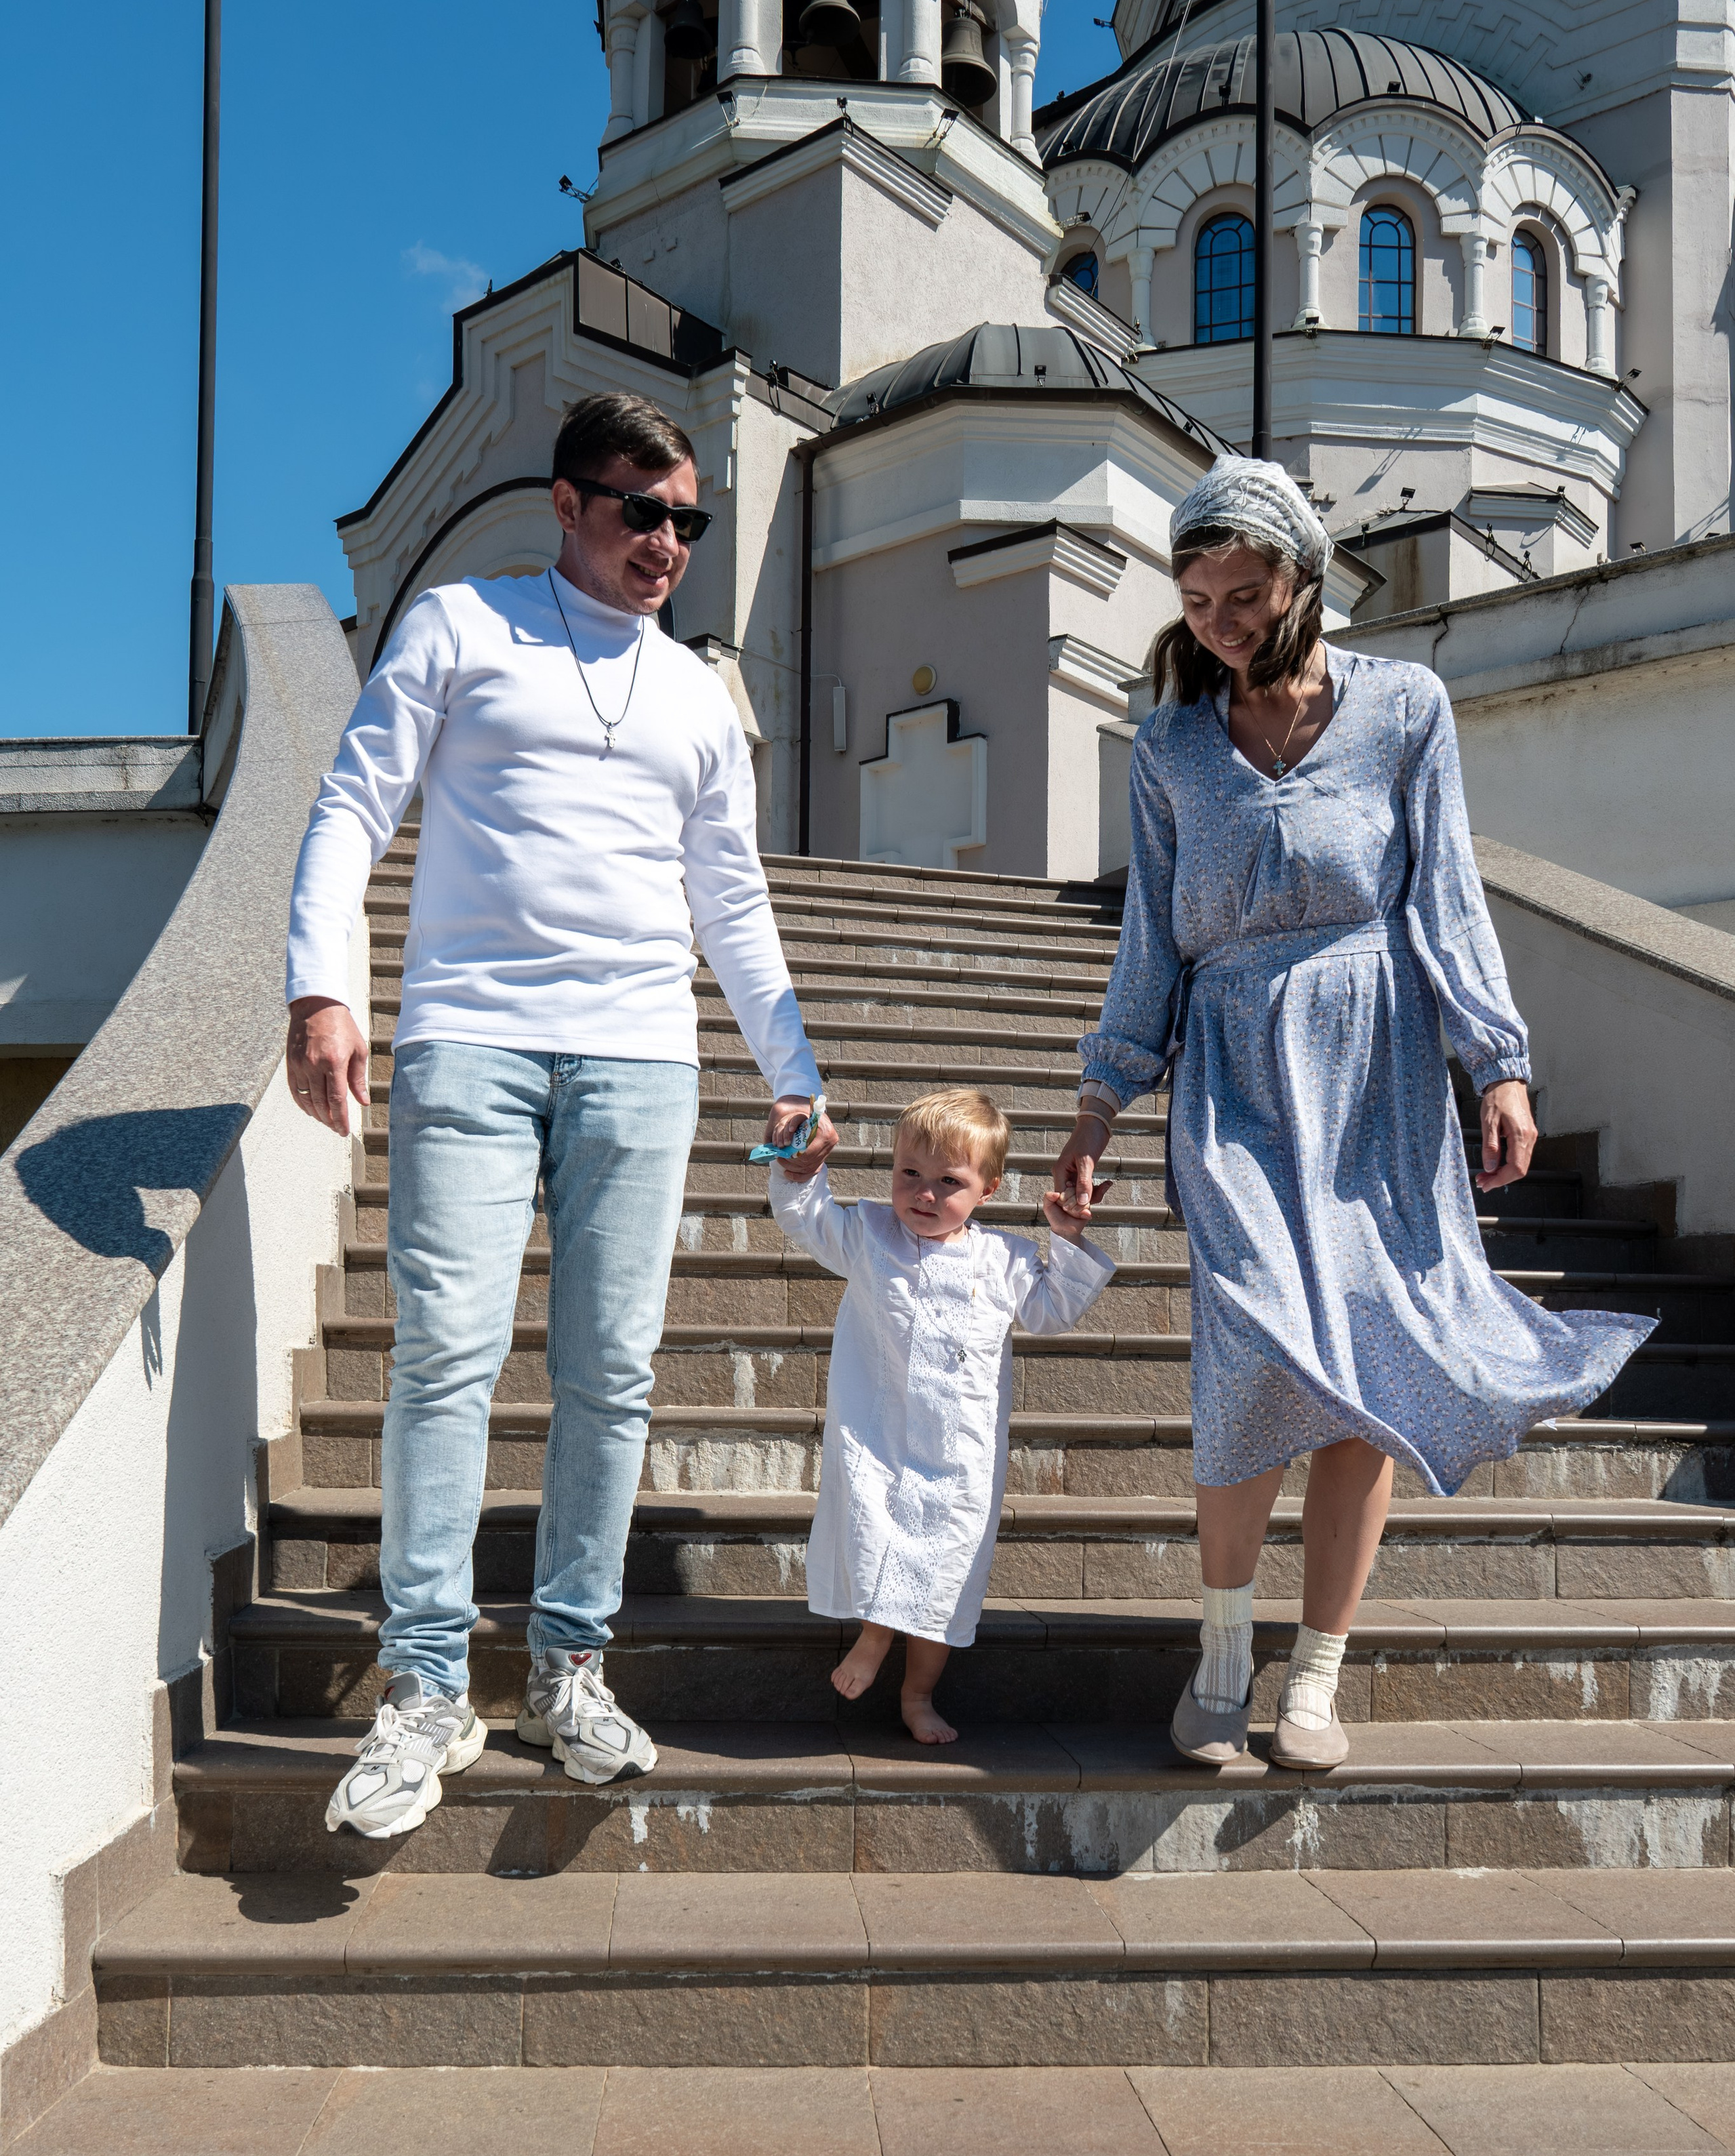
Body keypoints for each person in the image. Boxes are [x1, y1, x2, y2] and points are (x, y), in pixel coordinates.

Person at [285, 389, 836, 1839]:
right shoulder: (463, 625)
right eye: (641, 511)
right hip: (469, 1041)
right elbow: (351, 806)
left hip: (642, 1057)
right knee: (442, 1359)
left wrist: (791, 1065)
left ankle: (568, 1669)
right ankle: (425, 1684)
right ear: (569, 503)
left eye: (689, 519)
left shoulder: (696, 695)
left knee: (611, 1373)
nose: (668, 542)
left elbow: (731, 893)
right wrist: (321, 988)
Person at [1052, 458, 1654, 1774]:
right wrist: (1098, 1107)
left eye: (1243, 593)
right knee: (1250, 1355)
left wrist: (1496, 1063)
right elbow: (1149, 945)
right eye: (1196, 598)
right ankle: (1222, 1653)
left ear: (1304, 579)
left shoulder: (1403, 707)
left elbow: (1445, 896)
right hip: (1231, 1078)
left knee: (1361, 1377)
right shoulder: (1167, 747)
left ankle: (1315, 1675)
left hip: (1377, 1070)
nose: (1218, 619)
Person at [771, 1087, 1116, 1743]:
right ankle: (875, 1637)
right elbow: (804, 1217)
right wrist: (800, 1164)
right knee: (878, 1536)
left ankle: (919, 1694)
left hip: (961, 1456)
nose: (924, 1194)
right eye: (910, 1173)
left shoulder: (1004, 1259)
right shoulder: (869, 1235)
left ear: (988, 1189)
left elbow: (1052, 1313)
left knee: (945, 1575)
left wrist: (1066, 1237)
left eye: (949, 1181)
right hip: (880, 1437)